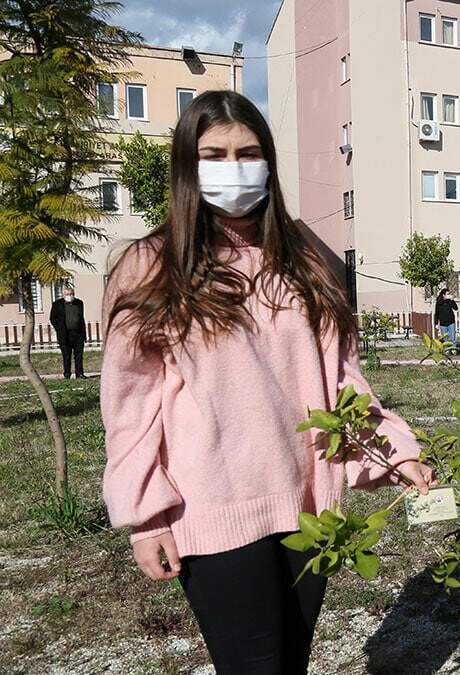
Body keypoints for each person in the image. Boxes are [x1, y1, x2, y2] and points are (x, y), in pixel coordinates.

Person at [100, 90, 434, 673]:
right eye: (215, 155)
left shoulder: (303, 259)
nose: (234, 168)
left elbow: (341, 376)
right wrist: (145, 518)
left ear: (269, 162)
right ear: (187, 165)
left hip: (307, 504)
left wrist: (395, 451)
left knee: (293, 663)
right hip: (213, 507)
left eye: (248, 152)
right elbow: (131, 406)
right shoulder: (152, 265)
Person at [49, 286, 86, 378]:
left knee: (79, 355)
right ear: (63, 294)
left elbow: (81, 318)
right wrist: (59, 329)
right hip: (65, 334)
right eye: (67, 294)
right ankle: (67, 374)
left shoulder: (79, 303)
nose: (70, 296)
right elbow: (52, 318)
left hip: (78, 334)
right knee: (66, 355)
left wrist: (83, 334)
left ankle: (79, 373)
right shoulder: (57, 304)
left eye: (71, 294)